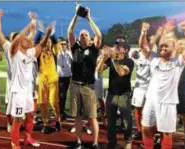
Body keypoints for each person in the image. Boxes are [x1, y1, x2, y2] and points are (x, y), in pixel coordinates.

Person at [139, 21, 185, 149]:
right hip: (151, 101)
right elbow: (142, 46)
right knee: (146, 129)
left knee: (167, 133)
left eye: (166, 46)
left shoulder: (178, 62)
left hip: (168, 103)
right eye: (161, 46)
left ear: (174, 48)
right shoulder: (154, 59)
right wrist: (143, 33)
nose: (162, 48)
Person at [7, 22, 51, 149]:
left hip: (28, 90)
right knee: (18, 118)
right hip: (18, 91)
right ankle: (15, 143)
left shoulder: (30, 52)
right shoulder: (14, 53)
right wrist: (29, 25)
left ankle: (28, 137)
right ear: (20, 42)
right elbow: (18, 39)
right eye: (25, 39)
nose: (29, 40)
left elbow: (41, 45)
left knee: (31, 114)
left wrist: (47, 33)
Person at [0, 9, 36, 133]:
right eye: (14, 37)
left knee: (26, 108)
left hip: (24, 84)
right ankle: (9, 123)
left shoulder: (24, 49)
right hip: (12, 83)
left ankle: (21, 126)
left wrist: (33, 20)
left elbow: (32, 35)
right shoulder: (8, 48)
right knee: (8, 104)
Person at [67, 4, 102, 149]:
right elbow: (70, 31)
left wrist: (88, 18)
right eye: (81, 35)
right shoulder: (75, 48)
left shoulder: (94, 49)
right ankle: (79, 142)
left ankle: (95, 143)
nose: (83, 36)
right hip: (75, 85)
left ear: (90, 38)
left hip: (88, 87)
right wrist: (76, 15)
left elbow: (99, 35)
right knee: (77, 117)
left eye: (86, 34)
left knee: (92, 117)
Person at [97, 35, 134, 149]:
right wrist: (104, 57)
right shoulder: (110, 60)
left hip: (124, 95)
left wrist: (113, 59)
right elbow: (99, 71)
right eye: (116, 45)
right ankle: (112, 142)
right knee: (111, 122)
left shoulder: (129, 61)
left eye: (119, 45)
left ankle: (128, 141)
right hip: (112, 94)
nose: (116, 47)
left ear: (126, 49)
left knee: (127, 122)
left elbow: (122, 72)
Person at [34, 22, 61, 134]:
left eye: (49, 42)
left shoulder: (54, 51)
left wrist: (52, 32)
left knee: (53, 102)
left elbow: (55, 42)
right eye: (46, 42)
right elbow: (36, 43)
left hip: (53, 80)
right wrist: (40, 31)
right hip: (42, 79)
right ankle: (45, 123)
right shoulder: (39, 52)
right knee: (43, 103)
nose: (47, 44)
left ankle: (58, 118)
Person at [56, 39, 72, 120]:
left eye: (64, 44)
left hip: (67, 76)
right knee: (60, 95)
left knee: (64, 95)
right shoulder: (57, 53)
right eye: (61, 44)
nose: (63, 45)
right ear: (59, 44)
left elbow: (73, 62)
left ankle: (62, 111)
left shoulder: (69, 53)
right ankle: (60, 112)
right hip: (60, 76)